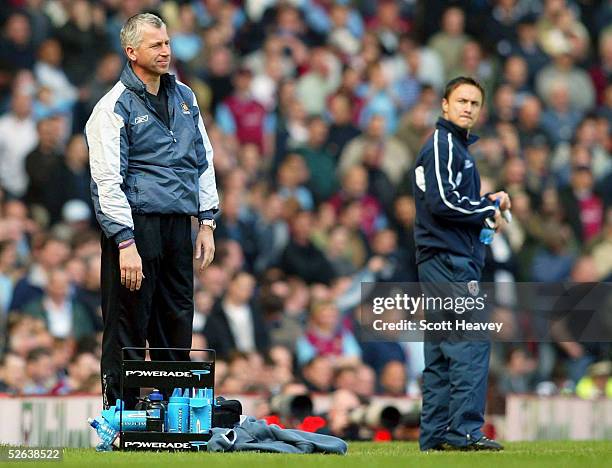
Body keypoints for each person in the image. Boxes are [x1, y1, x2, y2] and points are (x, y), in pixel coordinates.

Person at [85, 13, 219, 409]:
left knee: (177, 320)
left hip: (179, 224)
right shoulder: (112, 107)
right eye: (155, 45)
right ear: (131, 52)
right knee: (127, 323)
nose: (165, 51)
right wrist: (124, 241)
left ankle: (174, 413)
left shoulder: (186, 97)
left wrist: (207, 221)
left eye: (167, 43)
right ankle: (117, 416)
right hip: (136, 227)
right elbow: (106, 180)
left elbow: (203, 160)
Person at [413, 76, 509, 451]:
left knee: (440, 351)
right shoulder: (442, 145)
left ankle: (435, 437)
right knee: (470, 342)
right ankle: (464, 431)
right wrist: (487, 207)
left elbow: (451, 201)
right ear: (445, 104)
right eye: (462, 100)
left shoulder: (454, 147)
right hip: (449, 262)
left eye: (475, 103)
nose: (468, 107)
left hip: (443, 260)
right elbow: (443, 203)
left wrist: (488, 201)